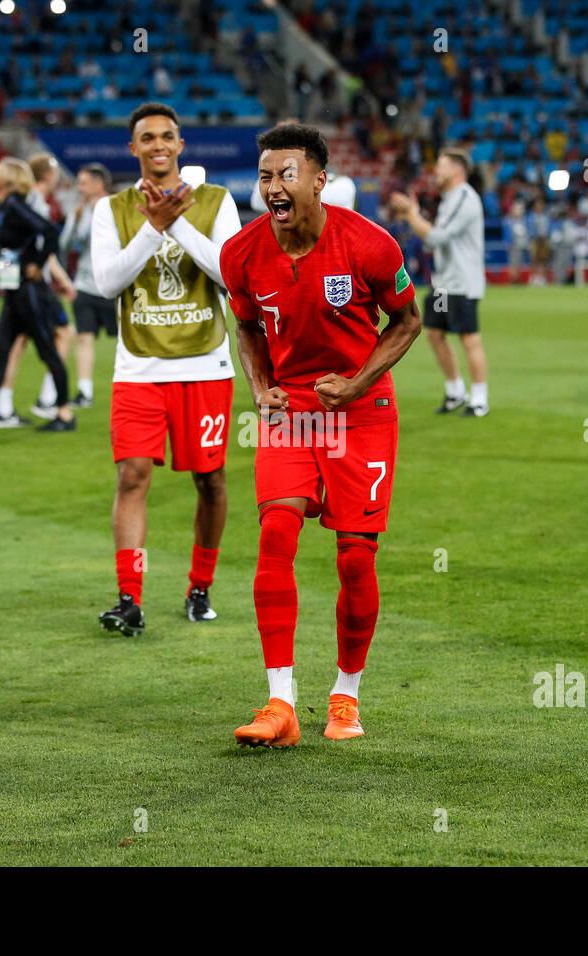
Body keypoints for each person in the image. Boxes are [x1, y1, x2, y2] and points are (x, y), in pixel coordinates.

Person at [220, 123, 423, 747]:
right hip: (291, 414)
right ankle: (280, 705)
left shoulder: (370, 246)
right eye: (264, 176)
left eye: (285, 174)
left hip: (361, 413)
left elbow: (408, 320)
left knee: (355, 557)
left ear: (318, 182)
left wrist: (360, 382)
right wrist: (259, 386)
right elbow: (249, 327)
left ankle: (345, 696)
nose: (272, 187)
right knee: (276, 531)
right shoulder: (241, 254)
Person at [90, 102, 240, 634]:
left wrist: (174, 224)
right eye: (146, 137)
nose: (157, 145)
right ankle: (129, 597)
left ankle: (200, 587)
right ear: (133, 149)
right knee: (132, 475)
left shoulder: (217, 201)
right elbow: (106, 282)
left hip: (205, 364)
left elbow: (228, 272)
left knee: (211, 479)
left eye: (167, 136)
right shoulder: (110, 209)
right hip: (139, 367)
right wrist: (153, 230)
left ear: (181, 145)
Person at [0, 158, 78, 431]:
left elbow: (49, 231)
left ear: (11, 177)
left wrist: (35, 262)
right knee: (0, 349)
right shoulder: (5, 205)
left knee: (47, 349)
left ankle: (64, 414)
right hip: (16, 290)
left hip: (29, 292)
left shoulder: (14, 204)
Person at [389, 148, 490, 416]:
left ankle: (480, 399)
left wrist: (412, 214)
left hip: (462, 283)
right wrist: (414, 214)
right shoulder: (449, 199)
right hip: (444, 283)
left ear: (457, 170)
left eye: (442, 165)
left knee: (469, 338)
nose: (436, 171)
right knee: (434, 332)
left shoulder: (465, 198)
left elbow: (436, 238)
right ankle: (456, 391)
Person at [59, 162, 117, 408]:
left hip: (114, 284)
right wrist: (76, 221)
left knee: (128, 338)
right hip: (84, 283)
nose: (78, 187)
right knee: (84, 337)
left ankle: (140, 383)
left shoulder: (117, 209)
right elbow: (65, 244)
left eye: (83, 183)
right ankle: (85, 391)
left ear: (98, 184)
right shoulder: (79, 210)